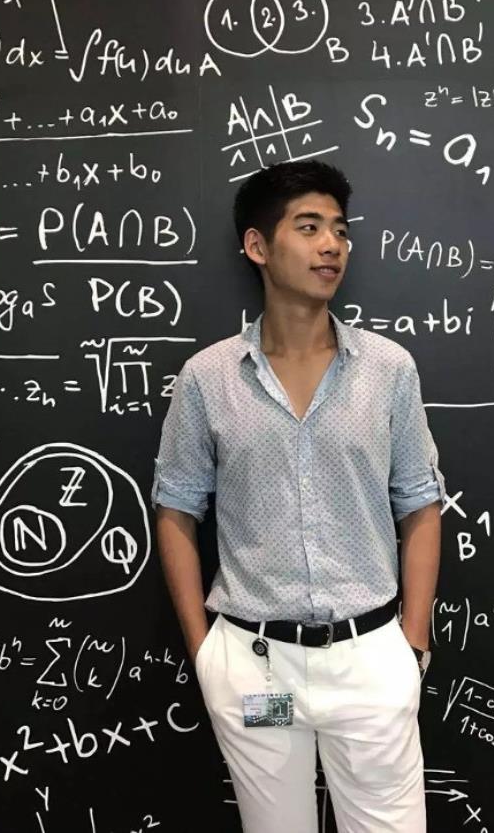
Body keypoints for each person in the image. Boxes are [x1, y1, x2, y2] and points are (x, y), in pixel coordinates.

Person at [151, 159, 447, 833]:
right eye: (308, 227)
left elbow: (420, 504)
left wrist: (412, 644)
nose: (331, 245)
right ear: (258, 246)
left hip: (370, 660)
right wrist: (205, 654)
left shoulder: (388, 369)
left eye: (339, 230)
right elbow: (175, 509)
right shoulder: (208, 378)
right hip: (257, 671)